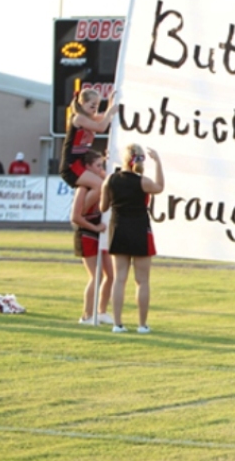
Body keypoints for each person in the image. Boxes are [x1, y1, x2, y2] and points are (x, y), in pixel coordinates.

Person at [101, 144, 164, 334]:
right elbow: (159, 187)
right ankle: (142, 325)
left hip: (118, 228)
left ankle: (117, 324)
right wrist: (159, 162)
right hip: (139, 230)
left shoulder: (110, 180)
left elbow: (103, 207)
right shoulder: (143, 181)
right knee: (142, 280)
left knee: (119, 279)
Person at [71, 150, 114, 325]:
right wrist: (94, 227)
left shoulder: (102, 184)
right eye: (97, 166)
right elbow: (75, 217)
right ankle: (86, 315)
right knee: (95, 276)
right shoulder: (83, 188)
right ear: (87, 168)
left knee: (110, 275)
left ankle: (101, 312)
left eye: (101, 165)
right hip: (86, 233)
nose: (100, 169)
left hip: (100, 233)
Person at [59, 88, 117, 207]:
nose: (95, 109)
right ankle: (81, 214)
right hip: (71, 165)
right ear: (82, 104)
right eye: (92, 106)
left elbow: (105, 117)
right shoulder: (79, 118)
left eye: (97, 105)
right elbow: (101, 127)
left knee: (108, 181)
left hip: (82, 162)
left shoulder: (91, 118)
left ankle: (89, 212)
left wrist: (111, 103)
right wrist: (110, 111)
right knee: (100, 185)